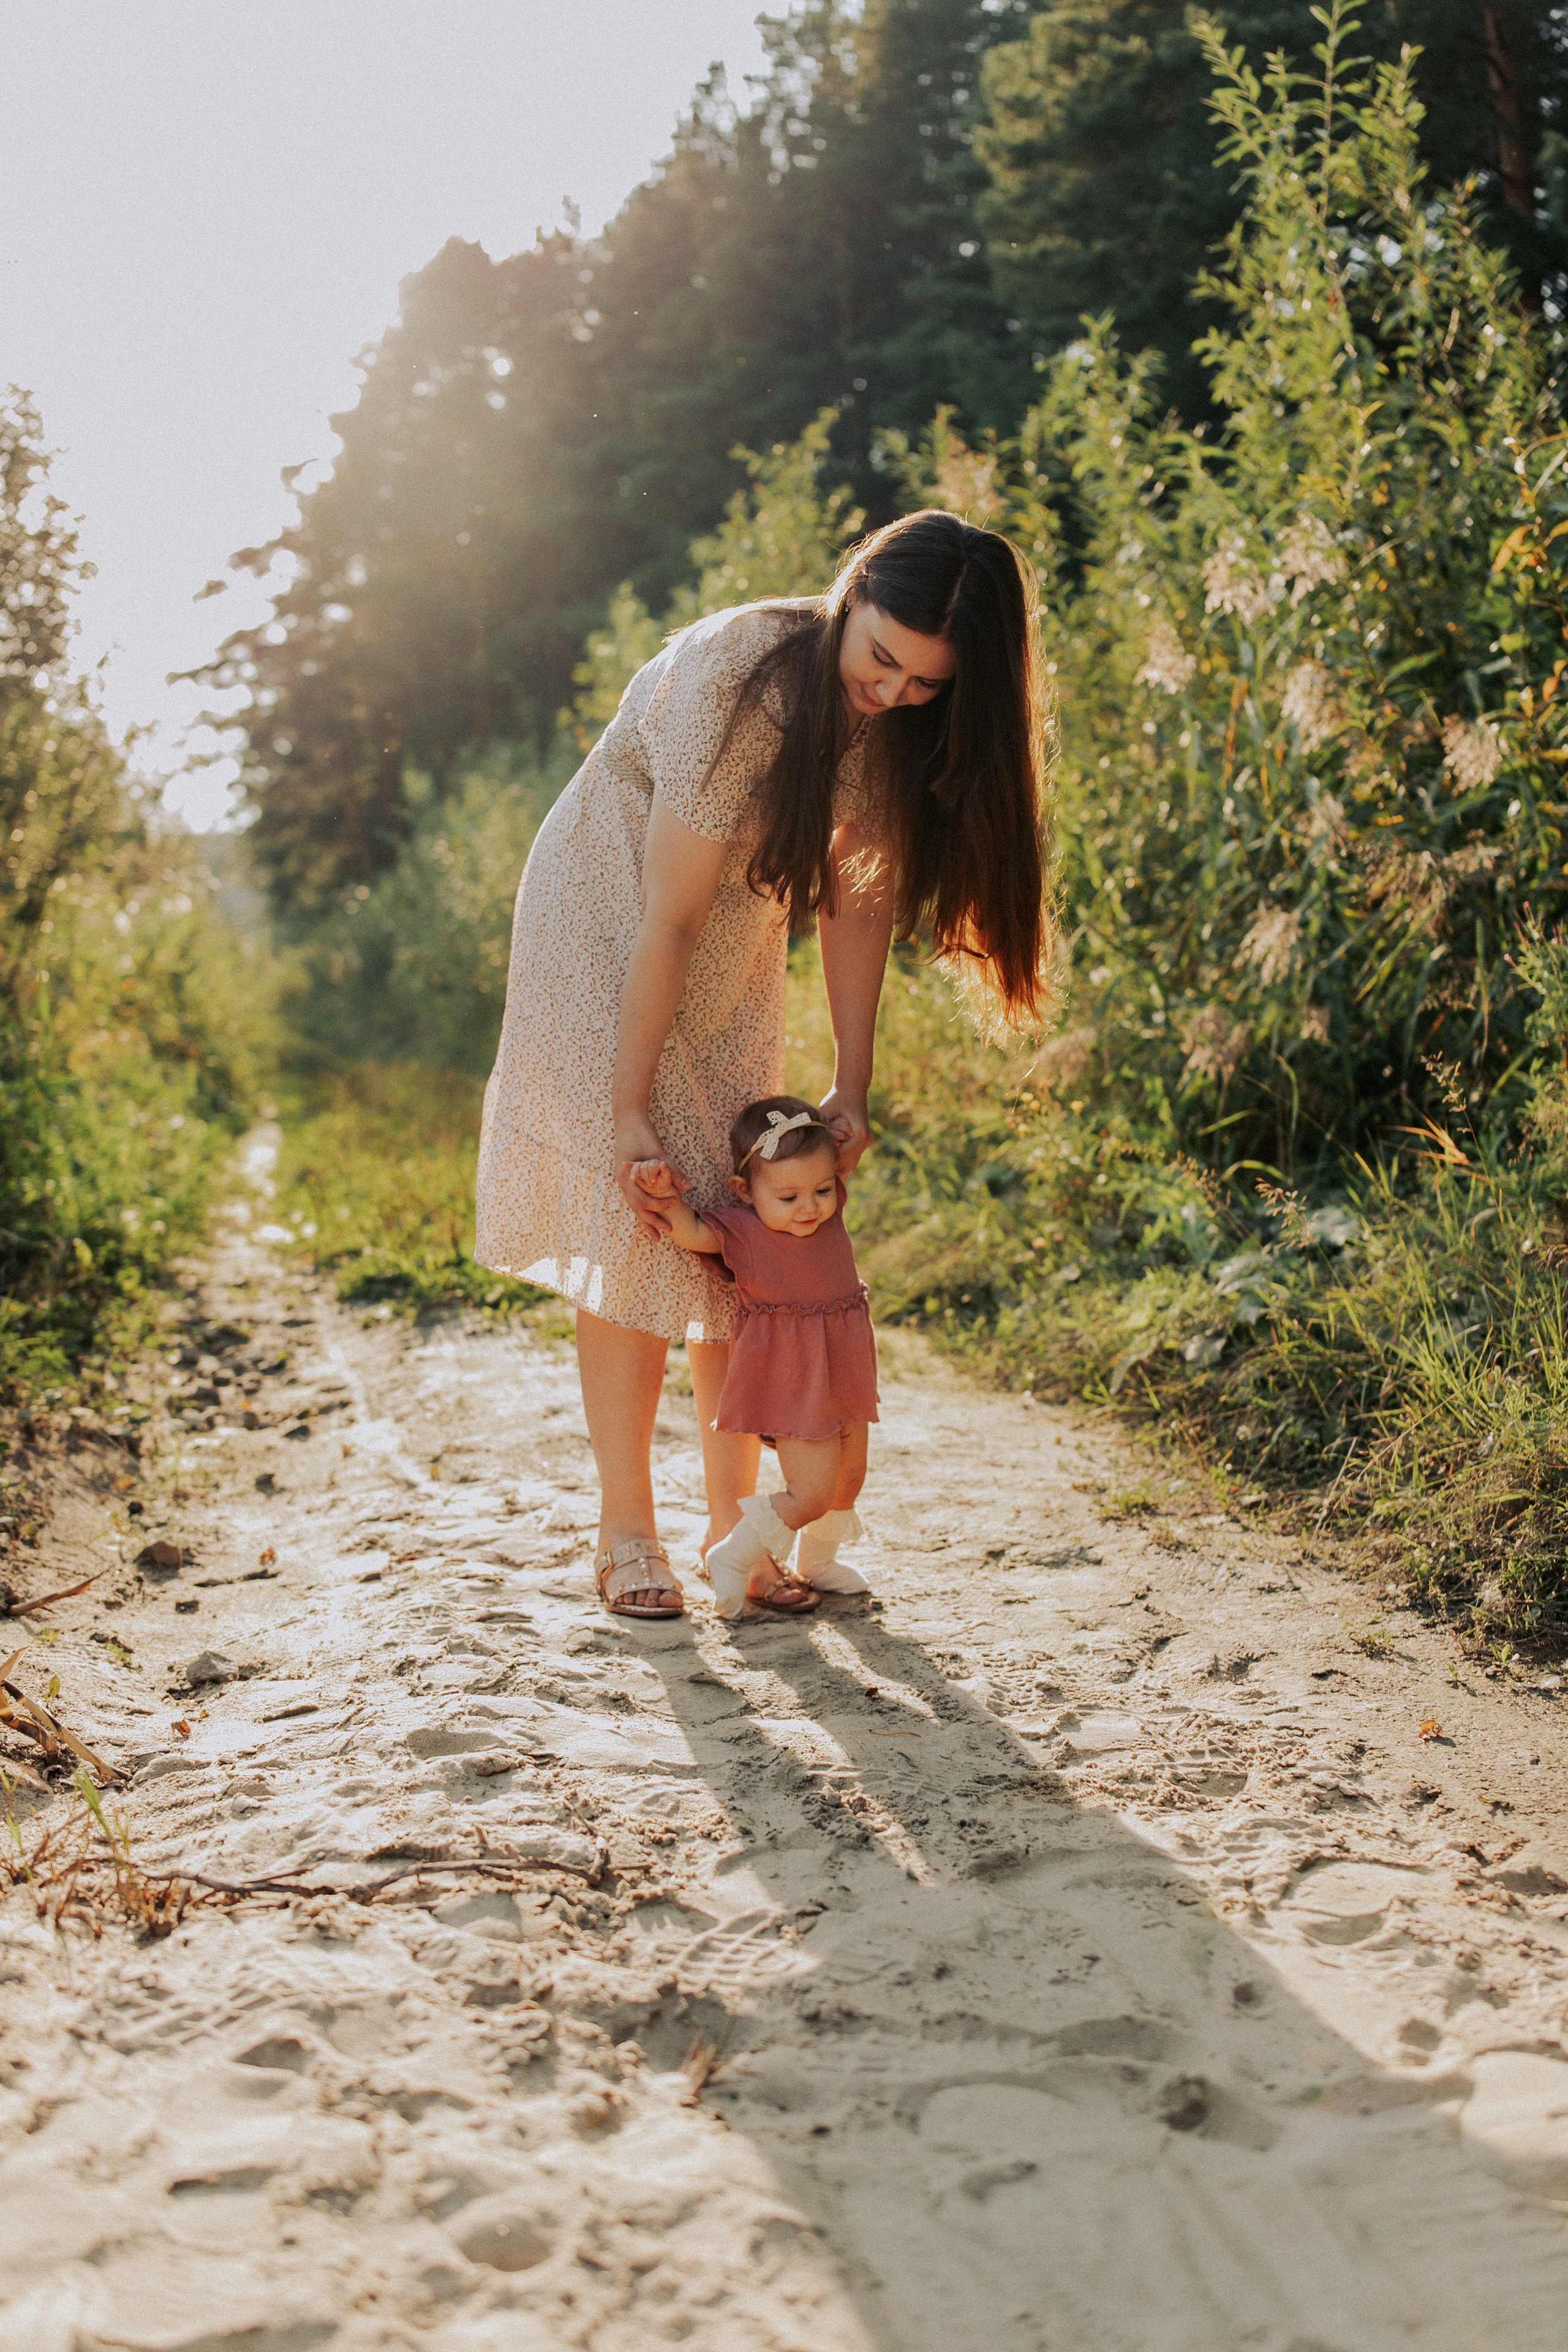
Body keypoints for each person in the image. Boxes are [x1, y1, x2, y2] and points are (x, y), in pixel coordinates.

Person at [475, 507, 1055, 1621]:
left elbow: (857, 900)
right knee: (638, 1216)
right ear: (852, 591)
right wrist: (631, 1104)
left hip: (733, 931)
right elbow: (667, 919)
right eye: (880, 660)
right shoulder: (737, 679)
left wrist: (853, 1080)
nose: (890, 697)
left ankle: (731, 1529)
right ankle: (625, 1532)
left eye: (926, 687)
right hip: (609, 909)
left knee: (729, 1227)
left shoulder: (892, 723)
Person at [633, 1093, 878, 1618]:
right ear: (745, 1191)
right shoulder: (743, 1230)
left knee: (848, 1476)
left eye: (821, 1188)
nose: (809, 1207)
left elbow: (832, 1161)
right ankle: (733, 1554)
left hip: (845, 1363)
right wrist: (665, 1197)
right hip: (794, 1375)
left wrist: (838, 1135)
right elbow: (691, 1231)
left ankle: (818, 1562)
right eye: (788, 1197)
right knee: (810, 1492)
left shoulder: (824, 1209)